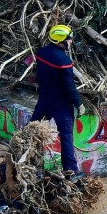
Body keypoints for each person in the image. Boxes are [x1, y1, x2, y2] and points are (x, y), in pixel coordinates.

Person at [30, 25, 83, 178]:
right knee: (66, 135)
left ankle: (29, 164)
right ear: (61, 41)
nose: (71, 41)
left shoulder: (41, 53)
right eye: (69, 39)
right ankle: (71, 171)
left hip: (45, 99)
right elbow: (69, 86)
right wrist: (79, 103)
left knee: (32, 130)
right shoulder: (64, 60)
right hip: (61, 104)